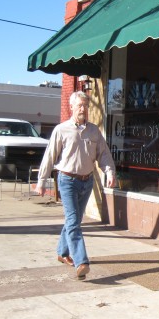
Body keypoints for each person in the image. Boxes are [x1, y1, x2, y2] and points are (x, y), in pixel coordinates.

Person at [35, 91, 116, 280]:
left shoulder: (94, 131)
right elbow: (49, 156)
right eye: (79, 105)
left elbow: (103, 154)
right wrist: (41, 181)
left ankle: (62, 252)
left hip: (87, 181)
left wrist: (110, 172)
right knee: (73, 221)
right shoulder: (61, 130)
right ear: (71, 107)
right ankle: (81, 262)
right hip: (67, 181)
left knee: (74, 221)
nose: (83, 109)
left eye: (86, 106)